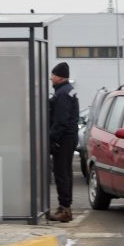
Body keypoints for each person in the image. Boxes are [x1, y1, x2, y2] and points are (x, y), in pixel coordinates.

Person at [48, 62, 79, 222]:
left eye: (53, 75)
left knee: (62, 174)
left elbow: (61, 120)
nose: (51, 78)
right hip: (68, 138)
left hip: (63, 139)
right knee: (65, 173)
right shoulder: (66, 91)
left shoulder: (62, 94)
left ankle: (65, 209)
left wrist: (51, 138)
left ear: (59, 77)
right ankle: (65, 207)